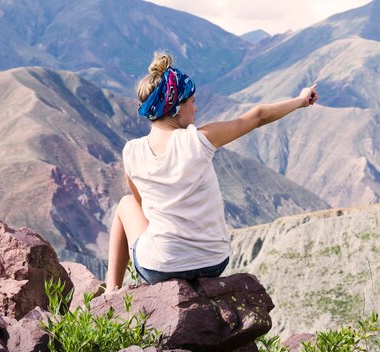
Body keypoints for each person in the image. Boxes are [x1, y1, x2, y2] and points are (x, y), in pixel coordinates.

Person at [105, 52, 318, 291]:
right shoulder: (198, 140)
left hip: (159, 268)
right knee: (129, 204)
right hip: (213, 262)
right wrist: (300, 101)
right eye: (192, 102)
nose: (195, 109)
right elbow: (258, 117)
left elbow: (142, 205)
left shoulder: (131, 152)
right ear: (176, 107)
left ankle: (111, 291)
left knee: (125, 204)